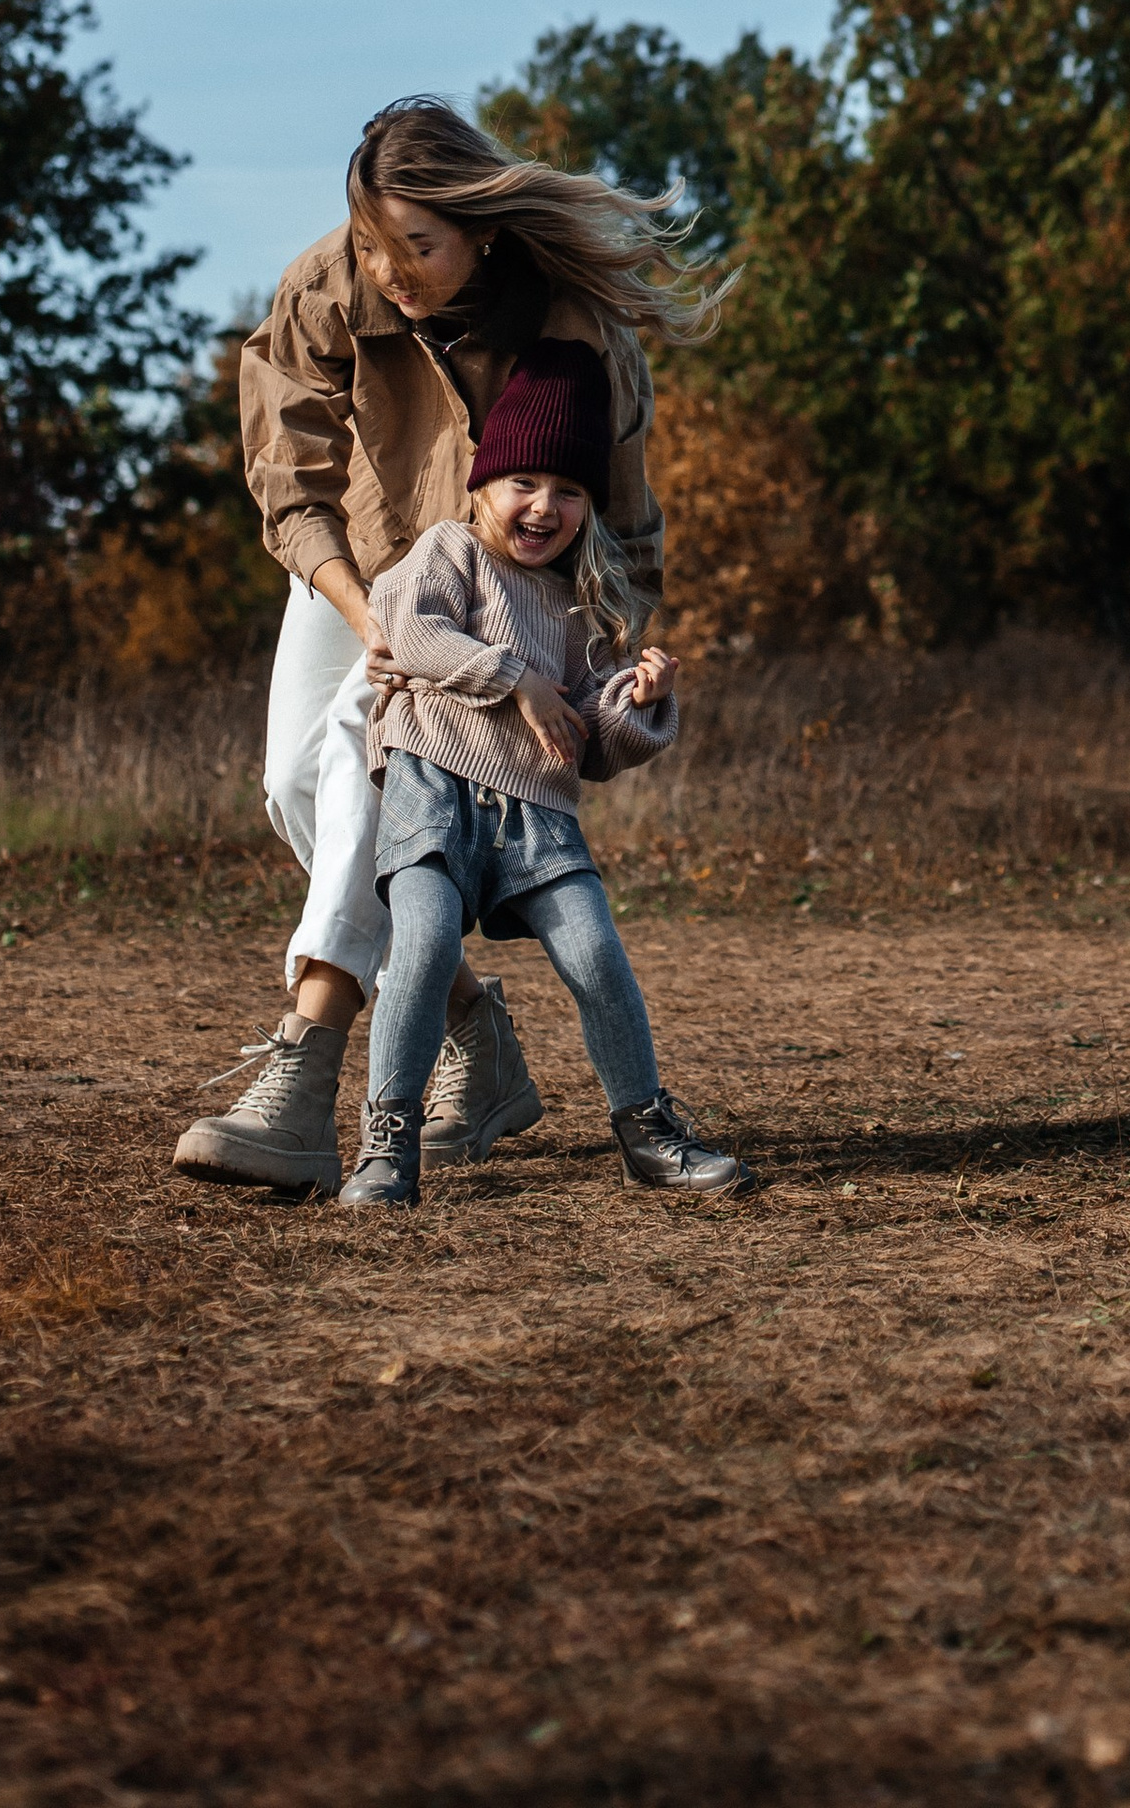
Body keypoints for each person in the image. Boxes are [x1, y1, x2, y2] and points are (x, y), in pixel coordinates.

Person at [173, 93, 725, 1201]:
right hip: (361, 570)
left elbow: (614, 507)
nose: (389, 270)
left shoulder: (570, 324)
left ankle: (305, 1070)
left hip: (499, 593)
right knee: (299, 789)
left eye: (414, 247)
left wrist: (606, 661)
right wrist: (372, 620)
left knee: (363, 782)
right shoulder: (328, 279)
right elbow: (287, 475)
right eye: (374, 246)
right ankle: (475, 1029)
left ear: (478, 226)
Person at [345, 341, 747, 1206]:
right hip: (435, 792)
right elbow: (408, 632)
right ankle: (388, 1142)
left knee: (598, 956)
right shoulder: (446, 553)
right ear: (481, 485)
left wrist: (634, 703)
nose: (545, 505)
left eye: (569, 491)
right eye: (524, 481)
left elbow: (592, 749)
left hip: (537, 814)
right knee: (419, 948)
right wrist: (517, 679)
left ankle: (646, 1130)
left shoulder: (576, 602)